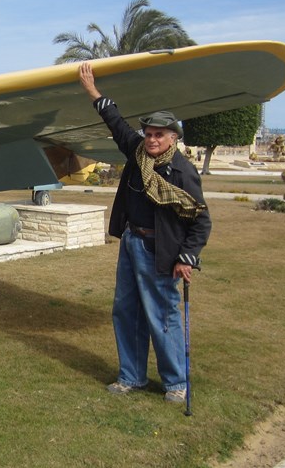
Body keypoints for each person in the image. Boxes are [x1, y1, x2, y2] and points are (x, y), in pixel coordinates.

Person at [78, 62, 211, 403]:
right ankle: (132, 377)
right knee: (126, 309)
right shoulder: (139, 154)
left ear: (173, 138)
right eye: (149, 134)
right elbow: (117, 125)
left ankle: (175, 384)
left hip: (161, 251)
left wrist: (186, 258)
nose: (151, 140)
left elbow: (201, 220)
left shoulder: (182, 172)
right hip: (132, 242)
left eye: (159, 135)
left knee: (163, 315)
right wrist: (94, 92)